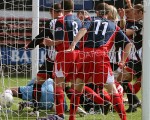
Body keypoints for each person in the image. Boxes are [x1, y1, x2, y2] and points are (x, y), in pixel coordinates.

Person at [66, 3, 133, 120]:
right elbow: (128, 43)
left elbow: (83, 29)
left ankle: (72, 117)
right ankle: (124, 118)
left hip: (85, 55)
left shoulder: (90, 19)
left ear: (97, 12)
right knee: (112, 90)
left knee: (78, 86)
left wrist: (73, 44)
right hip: (100, 55)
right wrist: (122, 60)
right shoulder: (114, 26)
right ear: (109, 13)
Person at [25, 3, 63, 114]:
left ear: (53, 11)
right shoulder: (71, 21)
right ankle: (77, 107)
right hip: (66, 59)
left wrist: (31, 45)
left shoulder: (52, 22)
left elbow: (42, 35)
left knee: (38, 83)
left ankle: (35, 109)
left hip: (52, 60)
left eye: (51, 12)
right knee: (65, 86)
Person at [117, 4, 143, 112]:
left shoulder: (140, 23)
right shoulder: (136, 23)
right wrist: (123, 18)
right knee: (122, 78)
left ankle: (134, 102)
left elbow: (125, 32)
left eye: (134, 13)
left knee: (122, 78)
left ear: (141, 13)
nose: (132, 14)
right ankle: (134, 102)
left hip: (140, 60)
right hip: (136, 58)